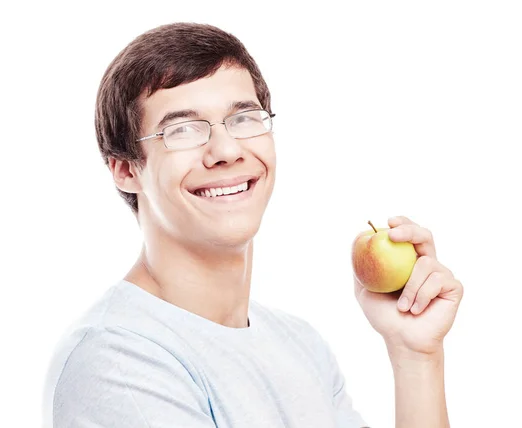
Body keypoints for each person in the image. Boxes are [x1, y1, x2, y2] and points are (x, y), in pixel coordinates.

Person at [42, 22, 464, 428]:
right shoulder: (117, 360)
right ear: (124, 169)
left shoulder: (301, 345)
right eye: (182, 129)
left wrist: (415, 356)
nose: (226, 150)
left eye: (244, 118)